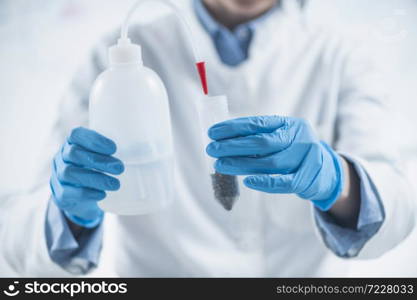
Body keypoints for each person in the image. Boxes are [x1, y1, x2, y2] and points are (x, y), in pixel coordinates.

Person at [2, 0, 415, 277]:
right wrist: (69, 213)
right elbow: (18, 236)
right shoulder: (115, 59)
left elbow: (398, 205)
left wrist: (337, 179)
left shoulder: (339, 56)